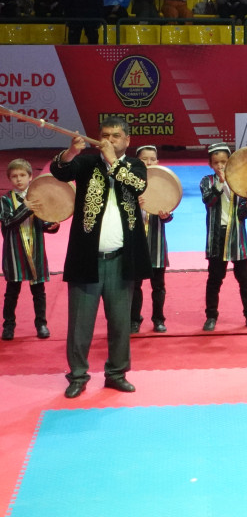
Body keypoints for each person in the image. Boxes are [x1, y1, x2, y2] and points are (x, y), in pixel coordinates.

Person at [50, 117, 150, 398]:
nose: (109, 140)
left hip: (121, 260)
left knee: (120, 323)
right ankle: (77, 375)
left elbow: (138, 186)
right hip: (86, 258)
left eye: (116, 136)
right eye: (105, 135)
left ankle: (116, 373)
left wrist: (112, 161)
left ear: (127, 140)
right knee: (80, 324)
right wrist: (71, 152)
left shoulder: (136, 165)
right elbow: (59, 171)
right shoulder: (86, 164)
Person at [200, 143, 247, 332]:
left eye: (224, 162)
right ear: (210, 164)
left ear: (231, 162)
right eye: (216, 162)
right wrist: (220, 182)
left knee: (245, 279)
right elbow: (209, 200)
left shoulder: (241, 181)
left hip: (237, 236)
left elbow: (242, 215)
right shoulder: (207, 181)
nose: (220, 166)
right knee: (214, 279)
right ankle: (211, 316)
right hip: (216, 237)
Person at [2, 159, 59, 341]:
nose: (18, 179)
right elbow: (8, 222)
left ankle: (41, 324)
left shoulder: (37, 198)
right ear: (9, 179)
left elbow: (43, 221)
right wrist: (26, 208)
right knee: (12, 292)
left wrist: (51, 226)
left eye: (22, 175)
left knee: (38, 291)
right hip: (14, 252)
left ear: (30, 177)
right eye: (14, 176)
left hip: (36, 250)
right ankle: (8, 325)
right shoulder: (5, 200)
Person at [130, 146, 172, 333]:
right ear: (136, 162)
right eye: (144, 159)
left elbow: (170, 213)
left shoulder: (164, 185)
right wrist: (132, 206)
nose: (149, 163)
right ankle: (134, 320)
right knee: (135, 285)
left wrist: (166, 216)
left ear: (158, 161)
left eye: (152, 159)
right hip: (135, 244)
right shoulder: (129, 185)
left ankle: (158, 320)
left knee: (158, 286)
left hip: (156, 243)